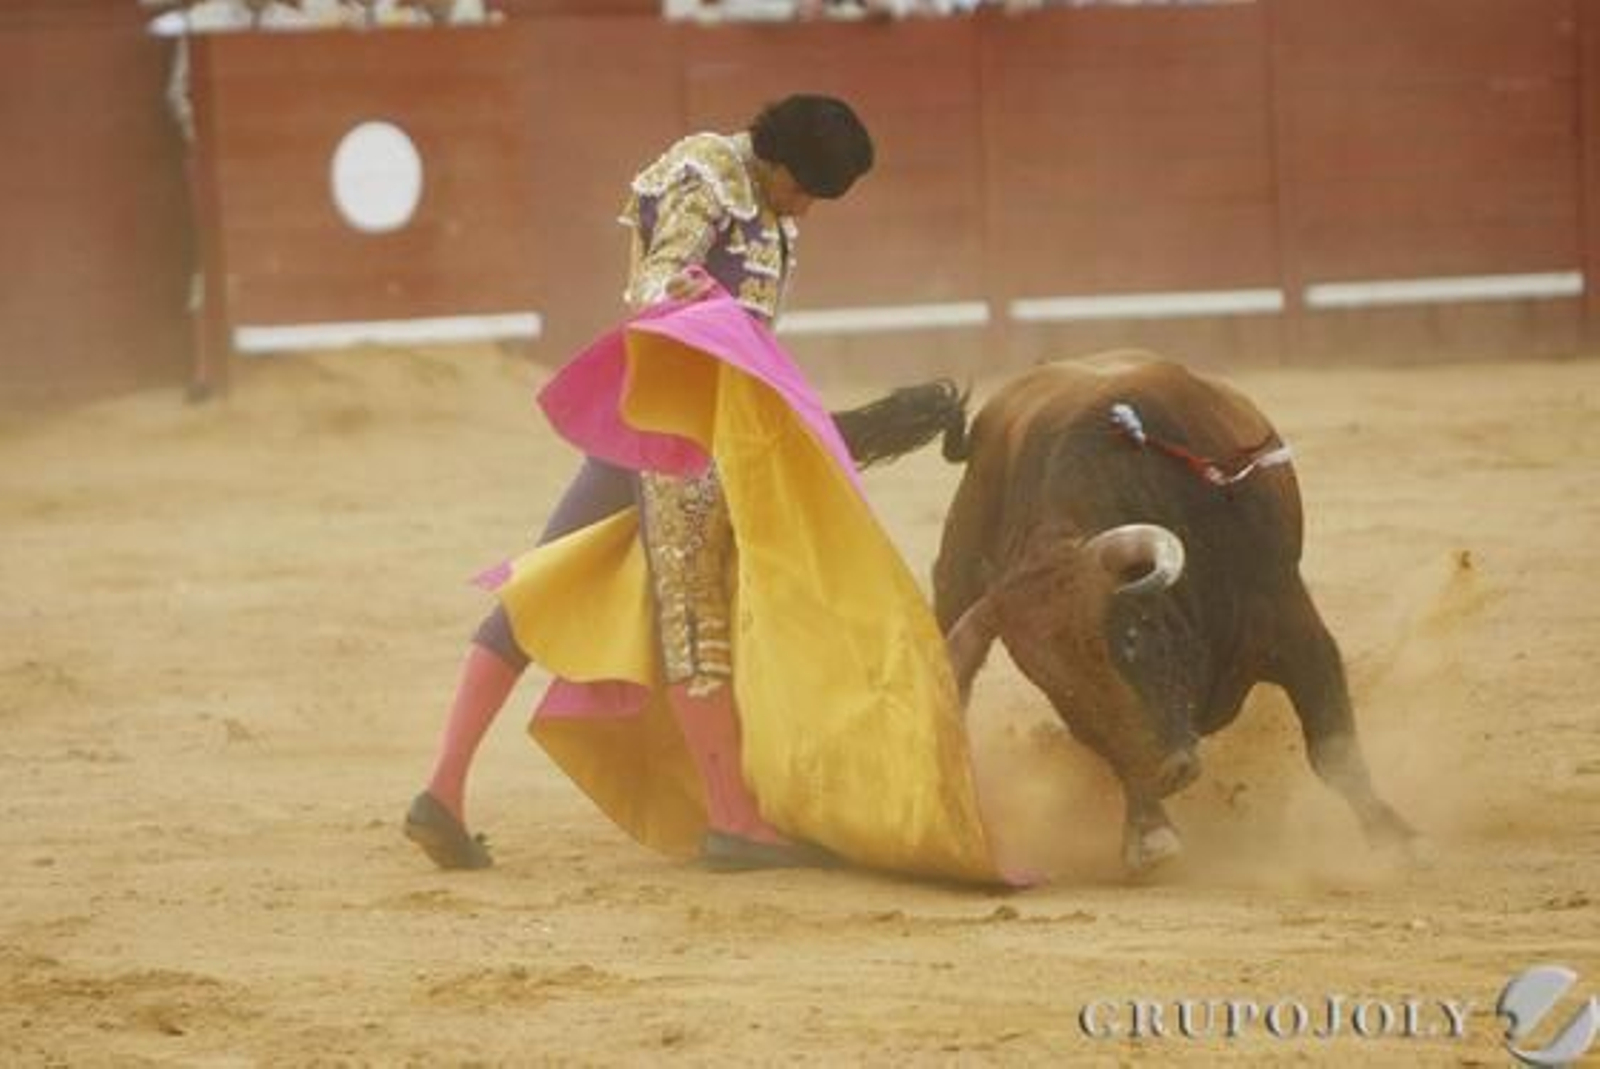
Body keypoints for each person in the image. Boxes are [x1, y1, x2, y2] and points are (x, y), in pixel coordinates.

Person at [405, 95, 877, 872]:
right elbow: (659, 277)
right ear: (780, 163)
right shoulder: (710, 171)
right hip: (675, 430)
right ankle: (733, 818)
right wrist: (684, 293)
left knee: (542, 587)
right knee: (696, 614)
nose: (807, 211)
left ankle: (441, 791)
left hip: (673, 421)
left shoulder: (763, 201)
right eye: (807, 192)